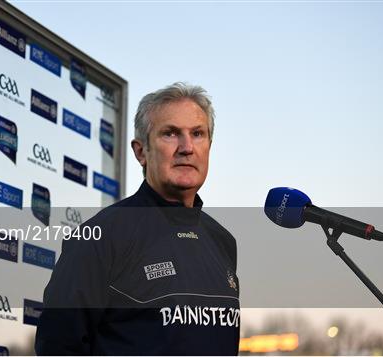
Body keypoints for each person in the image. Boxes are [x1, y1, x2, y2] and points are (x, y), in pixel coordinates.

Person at [35, 82, 240, 355]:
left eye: (198, 134)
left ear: (209, 146)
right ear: (141, 151)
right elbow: (57, 346)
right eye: (170, 133)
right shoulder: (101, 236)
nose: (187, 147)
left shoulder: (223, 241)